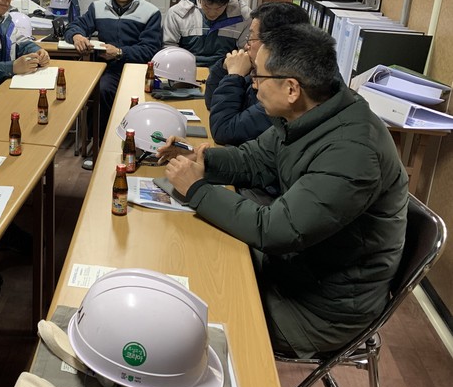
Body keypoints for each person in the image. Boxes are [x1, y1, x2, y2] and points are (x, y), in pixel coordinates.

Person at [161, 23, 408, 359]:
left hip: (317, 311)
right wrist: (201, 160)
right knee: (187, 265)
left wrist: (197, 189)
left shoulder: (353, 151)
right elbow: (253, 160)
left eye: (258, 76)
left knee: (180, 315)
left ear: (291, 88)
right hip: (295, 270)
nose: (252, 83)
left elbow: (277, 230)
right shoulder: (311, 113)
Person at [64, 0, 162, 168]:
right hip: (108, 70)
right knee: (101, 90)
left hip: (137, 70)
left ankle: (133, 149)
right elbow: (74, 26)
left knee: (132, 97)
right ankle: (101, 150)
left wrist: (119, 52)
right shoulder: (98, 7)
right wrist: (77, 36)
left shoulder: (151, 12)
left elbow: (150, 50)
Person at [205, 1, 310, 146]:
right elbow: (212, 102)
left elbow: (224, 131)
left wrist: (233, 76)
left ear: (273, 44)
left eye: (251, 38)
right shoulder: (263, 69)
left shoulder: (283, 88)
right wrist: (225, 66)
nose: (246, 45)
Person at [163, 0, 250, 67]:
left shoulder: (244, 15)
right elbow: (169, 48)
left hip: (226, 68)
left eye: (218, 8)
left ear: (227, 3)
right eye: (207, 6)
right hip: (186, 67)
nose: (212, 13)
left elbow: (245, 51)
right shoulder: (177, 13)